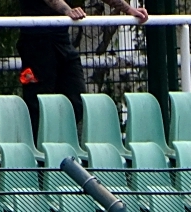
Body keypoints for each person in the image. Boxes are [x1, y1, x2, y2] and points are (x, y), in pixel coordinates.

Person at [18, 0, 149, 136]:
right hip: (35, 41)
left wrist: (130, 10)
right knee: (38, 104)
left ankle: (62, 142)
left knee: (76, 99)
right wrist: (68, 10)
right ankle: (39, 150)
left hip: (61, 39)